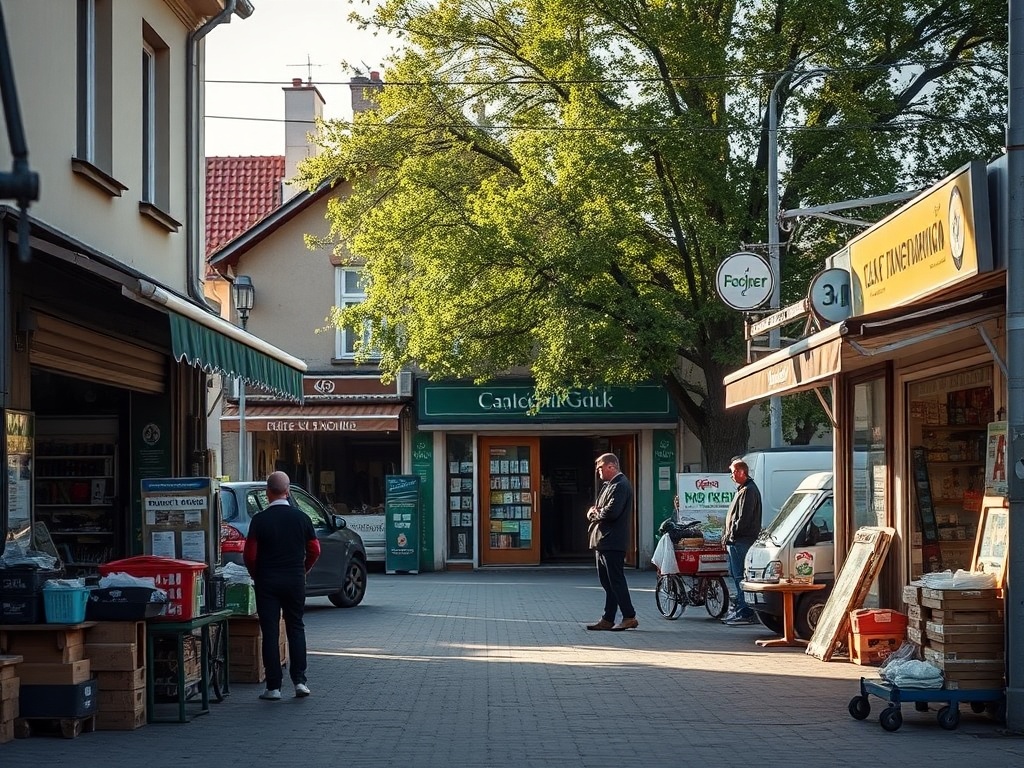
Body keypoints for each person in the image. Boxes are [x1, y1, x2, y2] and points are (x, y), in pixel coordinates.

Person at [243, 470, 321, 700]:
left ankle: (273, 687)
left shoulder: (259, 520)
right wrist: (303, 569)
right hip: (295, 579)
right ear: (287, 492)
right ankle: (300, 681)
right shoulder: (302, 518)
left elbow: (250, 555)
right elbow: (315, 549)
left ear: (268, 493)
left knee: (270, 631)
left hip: (267, 581)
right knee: (296, 627)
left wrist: (257, 574)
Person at [585, 453, 638, 631]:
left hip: (612, 541)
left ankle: (629, 616)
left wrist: (594, 514)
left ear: (611, 466)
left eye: (600, 468)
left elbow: (610, 512)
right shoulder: (608, 485)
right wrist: (595, 511)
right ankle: (608, 618)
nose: (598, 472)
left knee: (616, 581)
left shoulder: (621, 485)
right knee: (607, 583)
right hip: (603, 541)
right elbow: (599, 508)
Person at [720, 458, 763, 626]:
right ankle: (742, 610)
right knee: (737, 576)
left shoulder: (748, 491)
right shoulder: (744, 489)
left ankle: (745, 612)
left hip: (741, 541)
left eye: (732, 473)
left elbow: (743, 519)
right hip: (738, 540)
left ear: (740, 472)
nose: (731, 476)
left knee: (739, 577)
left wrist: (731, 534)